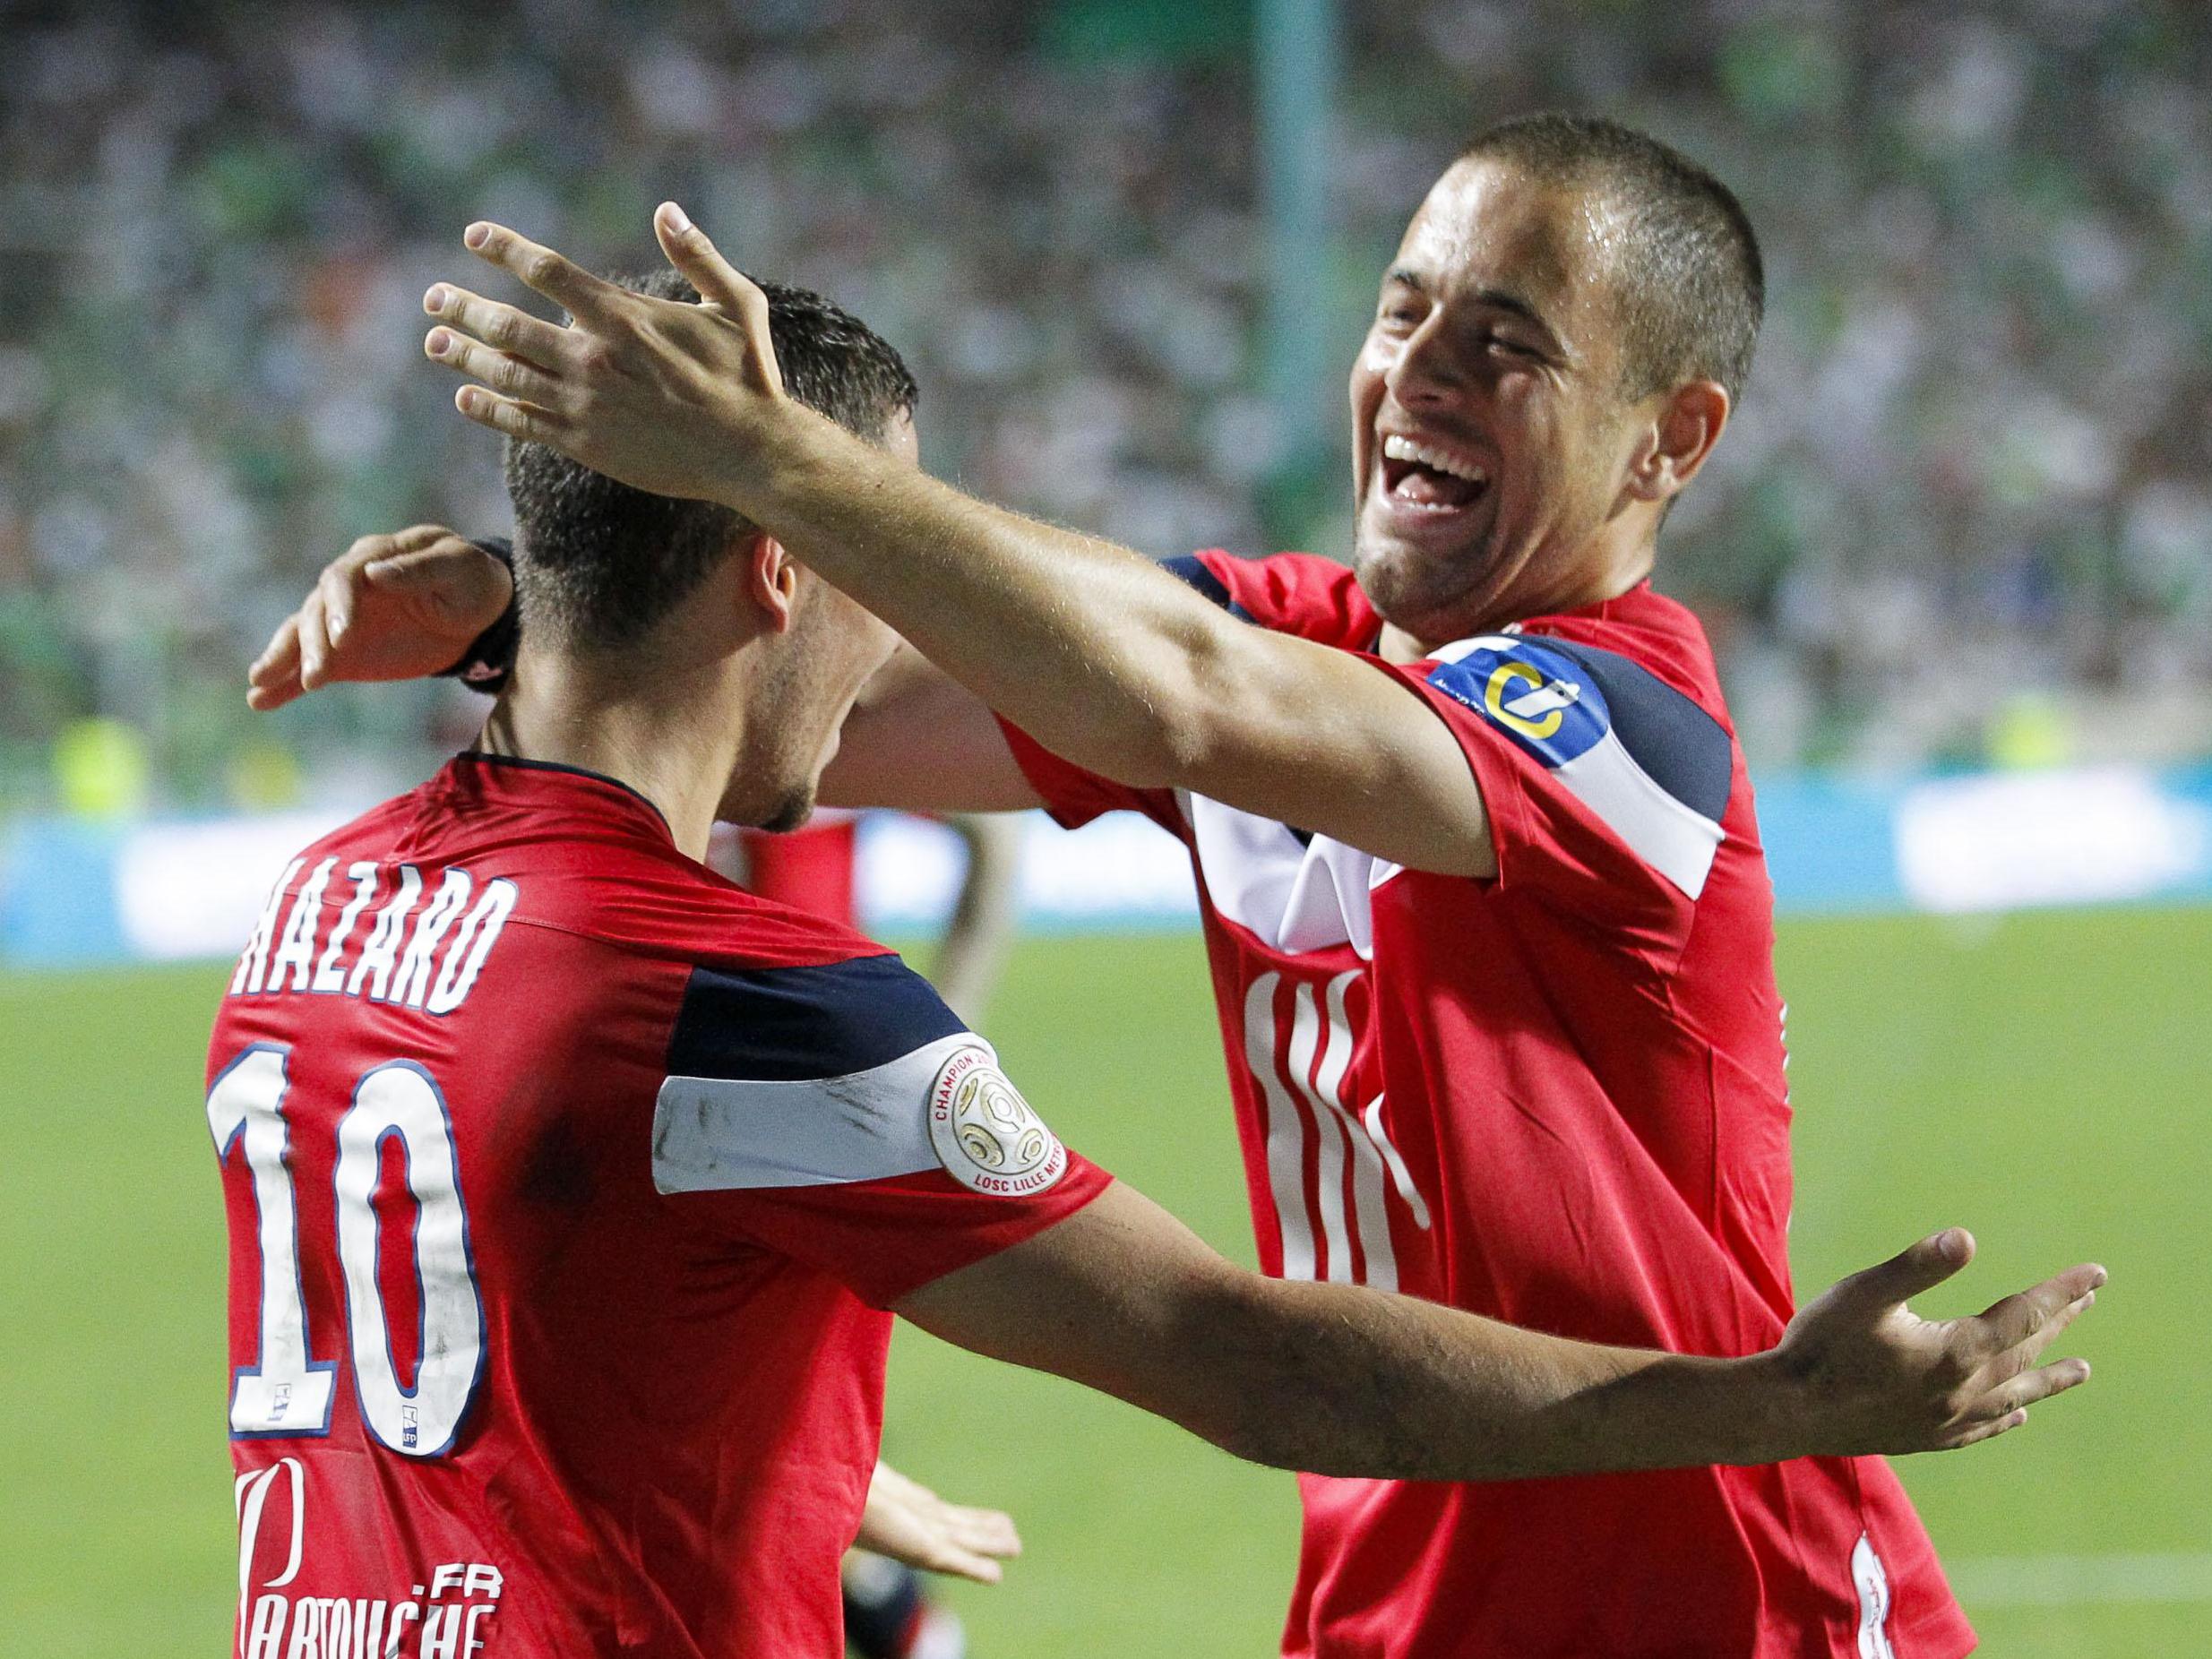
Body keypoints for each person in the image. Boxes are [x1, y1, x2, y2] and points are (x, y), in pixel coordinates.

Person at [248, 135, 2102, 1654]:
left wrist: (771, 455)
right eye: (1401, 309)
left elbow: (1182, 699)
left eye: (1505, 342)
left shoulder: (1627, 717)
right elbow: (835, 700)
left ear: (1666, 439)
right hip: (1390, 1602)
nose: (1419, 369)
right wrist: (536, 604)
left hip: (1709, 1598)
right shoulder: (1291, 628)